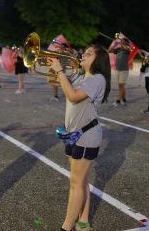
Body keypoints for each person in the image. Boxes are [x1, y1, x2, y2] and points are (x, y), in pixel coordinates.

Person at [48, 44, 111, 231]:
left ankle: (67, 228)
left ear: (98, 60)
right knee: (79, 181)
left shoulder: (98, 78)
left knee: (76, 183)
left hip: (86, 135)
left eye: (89, 53)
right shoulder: (82, 76)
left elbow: (73, 96)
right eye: (84, 52)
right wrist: (55, 68)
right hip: (72, 134)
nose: (84, 55)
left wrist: (60, 69)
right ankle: (83, 223)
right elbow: (58, 84)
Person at [108, 38, 131, 106]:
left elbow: (126, 49)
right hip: (118, 70)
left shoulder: (128, 49)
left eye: (122, 41)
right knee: (121, 86)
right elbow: (109, 51)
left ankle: (118, 101)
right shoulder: (118, 49)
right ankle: (124, 99)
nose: (120, 42)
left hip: (124, 70)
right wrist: (114, 44)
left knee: (121, 86)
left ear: (125, 43)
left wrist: (121, 43)